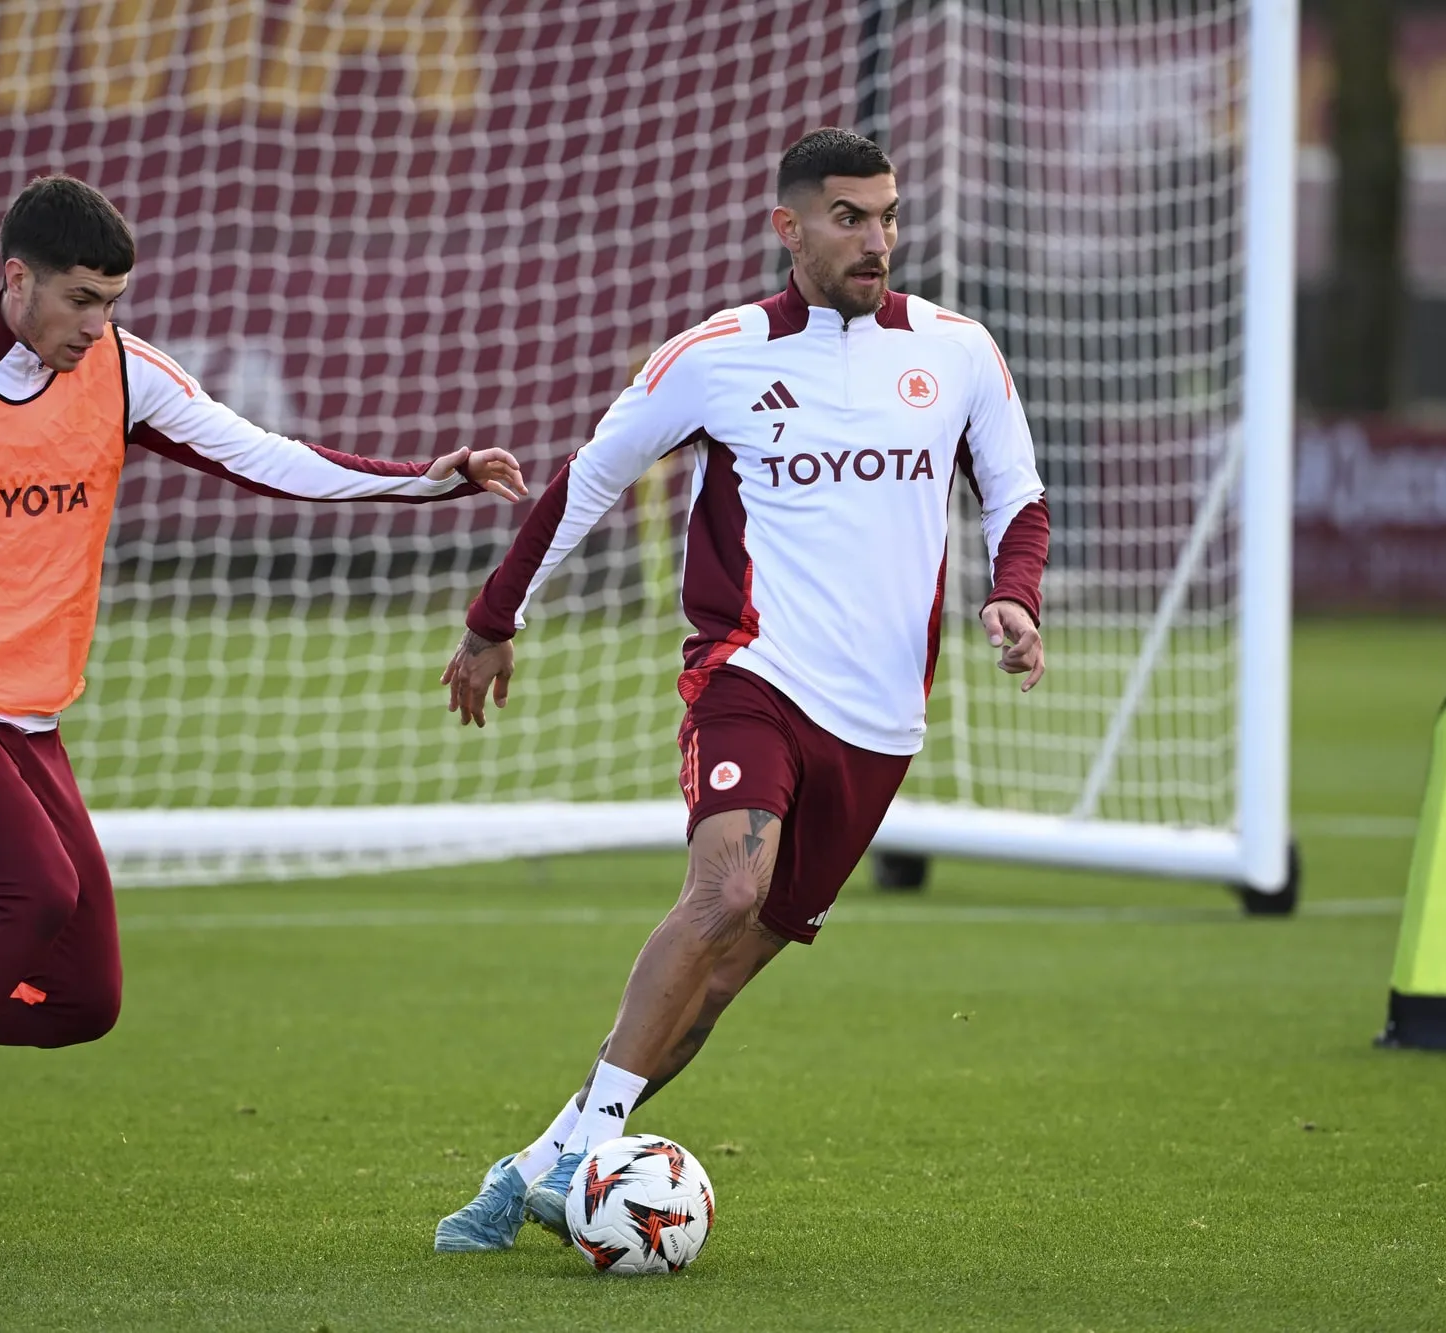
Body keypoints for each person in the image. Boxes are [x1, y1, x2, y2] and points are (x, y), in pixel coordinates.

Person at [0, 174, 526, 1257]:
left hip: (28, 711)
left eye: (112, 301)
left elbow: (262, 455)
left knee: (82, 999)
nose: (98, 325)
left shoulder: (122, 372)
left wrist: (428, 482)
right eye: (81, 299)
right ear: (16, 279)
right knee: (31, 895)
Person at [432, 128, 1048, 1253]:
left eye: (887, 216)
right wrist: (491, 620)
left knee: (721, 980)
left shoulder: (957, 351)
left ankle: (539, 1160)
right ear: (788, 226)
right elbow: (587, 482)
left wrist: (1015, 595)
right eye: (849, 218)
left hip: (878, 720)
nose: (876, 240)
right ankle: (588, 1146)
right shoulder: (713, 355)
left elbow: (1017, 495)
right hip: (749, 673)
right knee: (722, 893)